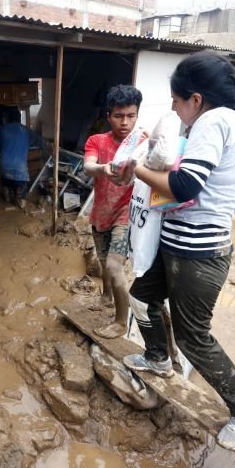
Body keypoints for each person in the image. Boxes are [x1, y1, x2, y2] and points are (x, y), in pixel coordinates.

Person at [123, 51, 235, 451]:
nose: (173, 108)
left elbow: (186, 186)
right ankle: (156, 358)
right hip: (179, 245)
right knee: (140, 298)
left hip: (198, 255)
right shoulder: (226, 121)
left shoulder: (215, 120)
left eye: (175, 100)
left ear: (196, 99)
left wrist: (137, 167)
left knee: (193, 338)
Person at [83, 85, 147, 339]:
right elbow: (88, 166)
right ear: (109, 115)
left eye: (131, 116)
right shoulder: (97, 141)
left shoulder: (143, 144)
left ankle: (121, 322)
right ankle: (106, 296)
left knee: (114, 265)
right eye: (119, 116)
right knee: (102, 263)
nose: (125, 122)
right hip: (101, 213)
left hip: (126, 213)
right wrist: (103, 169)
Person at [0, 109, 48, 209]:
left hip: (4, 165)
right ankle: (20, 200)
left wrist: (2, 144)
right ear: (19, 119)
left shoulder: (1, 129)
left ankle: (7, 195)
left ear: (7, 119)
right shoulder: (25, 130)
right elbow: (40, 142)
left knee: (6, 181)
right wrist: (49, 145)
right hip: (19, 168)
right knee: (21, 187)